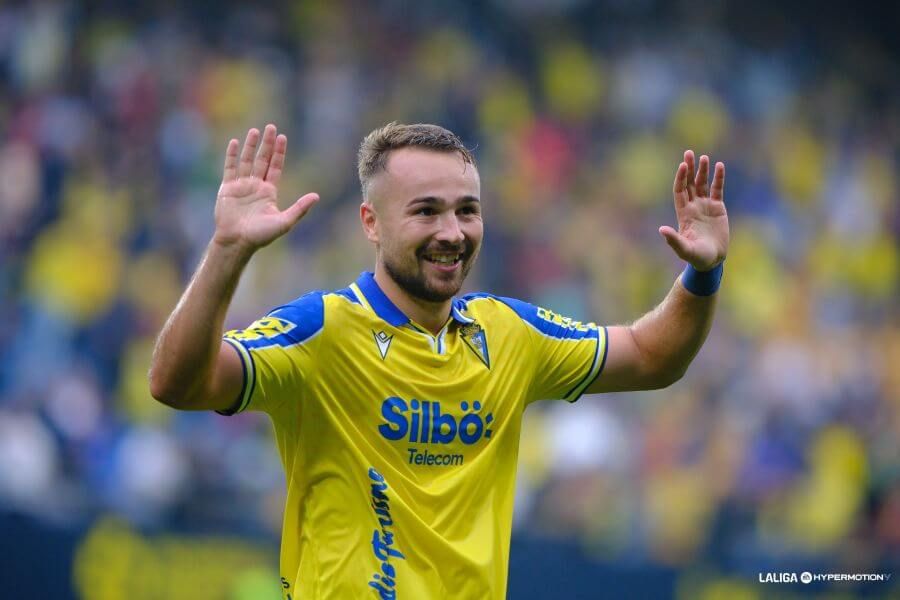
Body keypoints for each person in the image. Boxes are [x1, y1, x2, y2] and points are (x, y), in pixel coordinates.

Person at [149, 122, 728, 599]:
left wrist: (702, 274)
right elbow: (178, 384)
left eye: (466, 211)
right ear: (371, 223)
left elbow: (654, 358)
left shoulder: (509, 333)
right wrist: (228, 251)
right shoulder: (320, 331)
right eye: (426, 212)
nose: (452, 232)